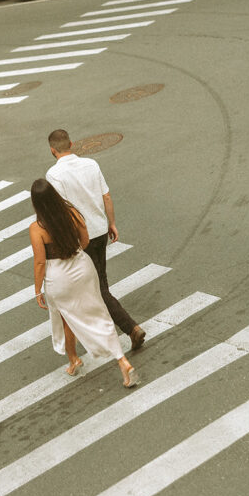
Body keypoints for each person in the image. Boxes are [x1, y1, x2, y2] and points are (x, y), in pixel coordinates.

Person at [30, 178, 140, 388]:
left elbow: (39, 262)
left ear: (36, 203)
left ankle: (74, 360)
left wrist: (37, 290)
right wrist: (74, 253)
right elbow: (86, 240)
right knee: (99, 314)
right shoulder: (72, 213)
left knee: (66, 317)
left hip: (59, 277)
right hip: (83, 267)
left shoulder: (37, 228)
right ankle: (122, 361)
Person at [46, 128, 146, 351]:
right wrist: (111, 223)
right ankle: (114, 328)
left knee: (98, 289)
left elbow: (63, 210)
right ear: (71, 144)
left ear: (52, 150)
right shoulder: (91, 164)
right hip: (100, 230)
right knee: (100, 283)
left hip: (81, 238)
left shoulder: (54, 175)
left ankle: (131, 328)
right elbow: (106, 195)